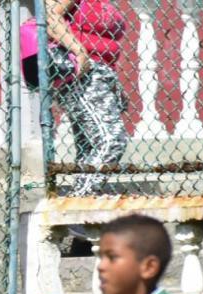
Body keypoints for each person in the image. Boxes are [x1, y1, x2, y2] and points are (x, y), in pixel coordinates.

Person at [21, 0, 128, 196]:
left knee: (89, 144)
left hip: (101, 74)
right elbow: (50, 15)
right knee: (111, 139)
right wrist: (78, 50)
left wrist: (113, 81)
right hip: (82, 73)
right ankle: (81, 197)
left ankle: (82, 195)